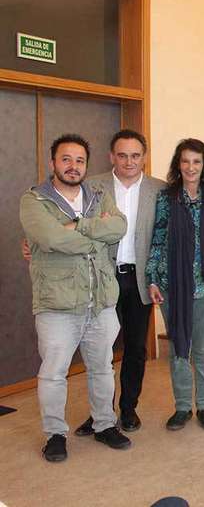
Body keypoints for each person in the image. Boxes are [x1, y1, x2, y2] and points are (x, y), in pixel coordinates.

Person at [20, 134, 132, 462]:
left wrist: (77, 226)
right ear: (53, 163)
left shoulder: (98, 195)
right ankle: (55, 434)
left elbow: (120, 227)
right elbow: (51, 238)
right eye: (66, 159)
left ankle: (104, 424)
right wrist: (95, 234)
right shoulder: (34, 200)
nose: (73, 166)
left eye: (80, 160)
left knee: (102, 369)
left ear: (86, 165)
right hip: (57, 304)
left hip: (100, 301)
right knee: (53, 373)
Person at [68, 130, 165, 435]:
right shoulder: (90, 186)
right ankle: (101, 413)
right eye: (122, 155)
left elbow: (165, 238)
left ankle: (128, 408)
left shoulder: (160, 190)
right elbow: (64, 222)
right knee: (99, 349)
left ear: (144, 157)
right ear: (112, 157)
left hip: (140, 280)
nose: (129, 162)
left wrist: (159, 278)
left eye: (135, 155)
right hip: (101, 278)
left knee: (135, 348)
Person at [146, 138, 204, 431]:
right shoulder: (167, 198)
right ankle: (182, 407)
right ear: (177, 165)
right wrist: (152, 278)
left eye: (196, 161)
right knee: (180, 347)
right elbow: (157, 239)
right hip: (173, 285)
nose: (190, 167)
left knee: (202, 349)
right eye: (185, 161)